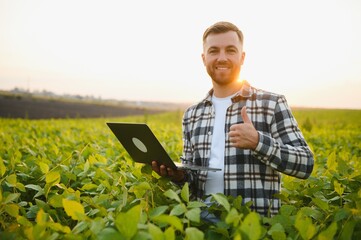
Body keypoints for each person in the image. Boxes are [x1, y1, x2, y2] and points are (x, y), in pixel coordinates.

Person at [152, 21, 314, 217]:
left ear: (242, 57)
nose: (222, 58)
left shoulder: (271, 103)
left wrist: (258, 142)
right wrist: (179, 175)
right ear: (204, 58)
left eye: (230, 50)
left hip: (254, 225)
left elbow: (305, 164)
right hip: (202, 223)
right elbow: (193, 177)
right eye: (214, 51)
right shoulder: (192, 114)